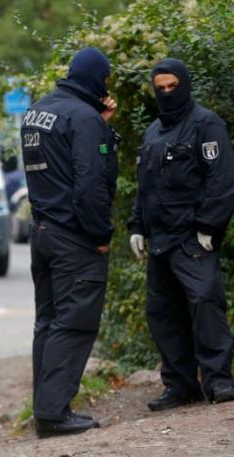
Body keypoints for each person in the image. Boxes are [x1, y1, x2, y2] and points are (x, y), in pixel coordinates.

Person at [20, 47, 118, 438]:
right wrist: (99, 235)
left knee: (48, 322)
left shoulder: (38, 110)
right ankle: (53, 413)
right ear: (96, 77)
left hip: (42, 231)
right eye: (106, 80)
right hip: (74, 238)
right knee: (74, 324)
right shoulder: (82, 117)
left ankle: (44, 406)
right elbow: (90, 184)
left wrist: (103, 123)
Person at [129, 58, 234, 411]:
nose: (167, 93)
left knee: (205, 303)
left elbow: (221, 180)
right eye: (161, 88)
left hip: (192, 238)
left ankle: (219, 381)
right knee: (163, 313)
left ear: (185, 84)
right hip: (159, 238)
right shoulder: (153, 132)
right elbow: (144, 186)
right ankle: (179, 386)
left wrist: (210, 225)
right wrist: (136, 226)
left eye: (173, 86)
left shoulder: (206, 125)